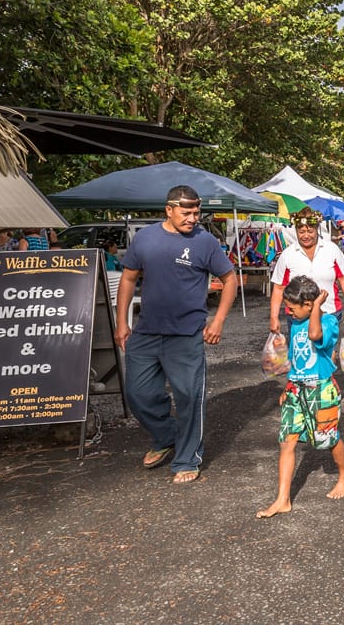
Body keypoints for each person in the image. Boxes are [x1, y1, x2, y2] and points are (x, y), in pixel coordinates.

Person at [114, 185, 237, 484]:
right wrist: (121, 322)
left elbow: (230, 278)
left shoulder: (205, 242)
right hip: (146, 331)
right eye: (187, 212)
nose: (193, 218)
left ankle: (186, 458)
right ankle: (166, 435)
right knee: (138, 394)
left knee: (188, 397)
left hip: (186, 334)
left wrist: (218, 320)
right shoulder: (144, 238)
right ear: (168, 209)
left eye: (196, 212)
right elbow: (129, 279)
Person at [256, 277, 344, 519]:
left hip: (320, 390)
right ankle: (282, 499)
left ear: (309, 305)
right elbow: (296, 360)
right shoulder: (296, 322)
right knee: (286, 441)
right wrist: (288, 386)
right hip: (296, 389)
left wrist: (318, 307)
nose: (287, 311)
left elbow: (315, 335)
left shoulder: (327, 321)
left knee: (327, 438)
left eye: (292, 307)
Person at [269, 208, 344, 341]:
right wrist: (274, 317)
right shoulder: (288, 255)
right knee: (301, 352)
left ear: (317, 229)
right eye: (301, 232)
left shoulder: (331, 250)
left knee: (328, 351)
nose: (306, 236)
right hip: (297, 316)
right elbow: (279, 288)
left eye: (310, 231)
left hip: (329, 313)